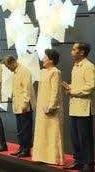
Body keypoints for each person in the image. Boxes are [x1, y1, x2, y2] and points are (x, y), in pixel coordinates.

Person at [62, 42, 94, 172]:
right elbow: (78, 86)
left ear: (82, 52)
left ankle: (88, 164)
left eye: (74, 49)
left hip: (84, 108)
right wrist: (69, 87)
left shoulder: (89, 66)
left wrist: (73, 91)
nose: (71, 52)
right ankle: (78, 161)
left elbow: (91, 86)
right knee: (75, 137)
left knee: (85, 138)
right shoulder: (75, 67)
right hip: (74, 107)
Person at [32, 49, 64, 165]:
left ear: (51, 60)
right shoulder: (42, 72)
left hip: (51, 106)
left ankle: (54, 158)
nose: (43, 60)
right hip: (42, 105)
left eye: (45, 57)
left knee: (52, 131)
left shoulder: (56, 72)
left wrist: (51, 106)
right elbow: (40, 90)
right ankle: (41, 156)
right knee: (42, 131)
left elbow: (55, 91)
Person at [2, 55, 36, 157]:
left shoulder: (24, 71)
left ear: (13, 62)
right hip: (18, 105)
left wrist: (25, 104)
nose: (8, 69)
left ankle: (26, 149)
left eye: (8, 67)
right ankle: (21, 147)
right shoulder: (16, 72)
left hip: (24, 106)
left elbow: (27, 89)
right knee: (20, 129)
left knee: (25, 129)